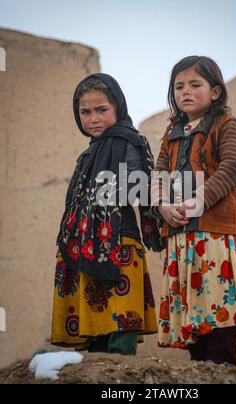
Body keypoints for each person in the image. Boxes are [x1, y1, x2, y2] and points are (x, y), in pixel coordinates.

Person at [151, 56, 236, 366]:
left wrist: (199, 200)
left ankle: (221, 368)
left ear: (216, 92)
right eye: (179, 86)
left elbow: (233, 167)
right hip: (180, 234)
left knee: (217, 304)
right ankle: (201, 370)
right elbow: (158, 175)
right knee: (192, 309)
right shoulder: (171, 135)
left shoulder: (227, 125)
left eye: (195, 84)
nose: (186, 91)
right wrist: (163, 207)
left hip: (215, 233)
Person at [51, 73, 162, 355]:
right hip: (84, 244)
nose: (93, 118)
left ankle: (121, 374)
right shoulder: (88, 154)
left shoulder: (129, 141)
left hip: (118, 239)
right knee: (95, 317)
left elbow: (140, 188)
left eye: (102, 110)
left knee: (120, 317)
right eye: (85, 112)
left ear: (118, 108)